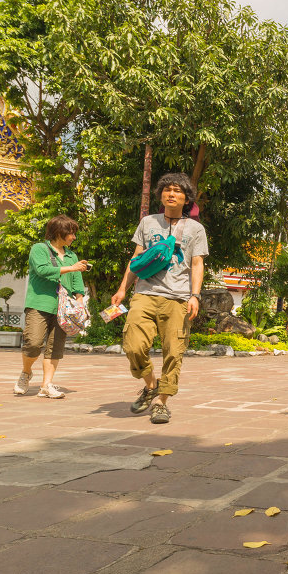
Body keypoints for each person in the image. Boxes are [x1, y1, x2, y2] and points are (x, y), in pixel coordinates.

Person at [111, 173, 207, 424]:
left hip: (178, 298)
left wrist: (195, 295)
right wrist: (123, 288)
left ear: (186, 199)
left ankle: (160, 402)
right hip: (144, 293)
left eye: (177, 191)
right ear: (160, 195)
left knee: (174, 352)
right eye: (166, 189)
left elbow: (197, 263)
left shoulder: (196, 229)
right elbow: (137, 258)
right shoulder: (148, 222)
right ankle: (151, 384)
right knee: (133, 345)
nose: (171, 194)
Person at [15, 214, 88, 398]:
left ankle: (46, 385)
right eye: (71, 233)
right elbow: (42, 270)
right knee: (33, 342)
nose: (74, 237)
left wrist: (79, 301)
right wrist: (72, 268)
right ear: (59, 233)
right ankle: (26, 372)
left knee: (55, 346)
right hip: (39, 303)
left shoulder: (72, 255)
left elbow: (77, 281)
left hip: (64, 308)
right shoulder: (39, 249)